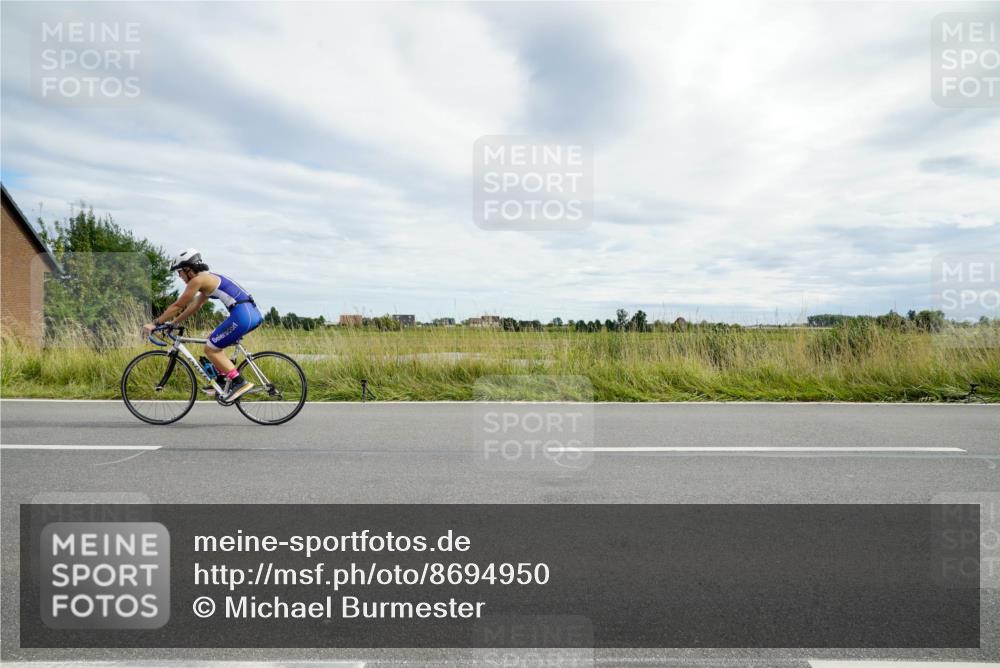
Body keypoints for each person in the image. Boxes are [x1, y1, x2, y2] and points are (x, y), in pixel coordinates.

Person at [142, 249, 263, 401]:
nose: (179, 276)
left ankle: (238, 382)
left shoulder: (198, 280)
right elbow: (195, 306)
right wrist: (173, 323)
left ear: (188, 269)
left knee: (210, 349)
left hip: (243, 314)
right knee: (212, 340)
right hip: (250, 313)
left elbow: (178, 305)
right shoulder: (207, 279)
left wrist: (155, 323)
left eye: (179, 272)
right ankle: (222, 379)